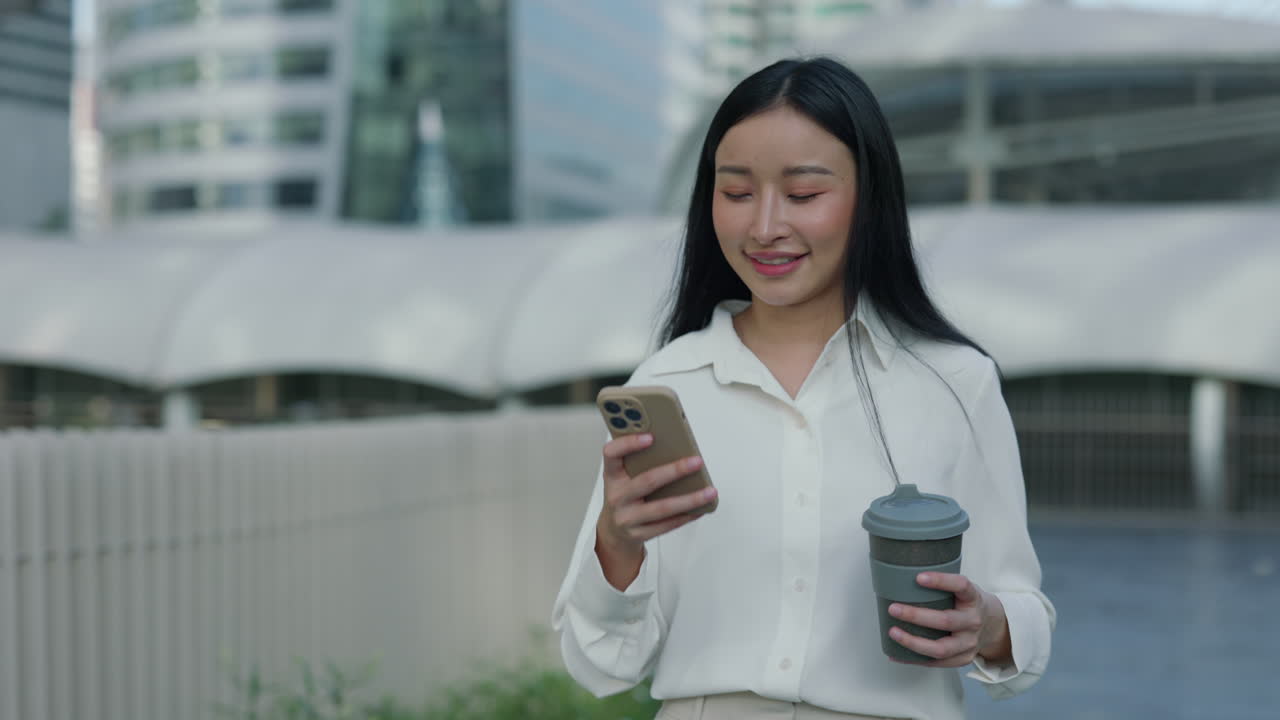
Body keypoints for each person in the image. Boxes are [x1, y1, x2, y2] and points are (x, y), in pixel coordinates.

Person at [551, 57, 1055, 720]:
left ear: (869, 197)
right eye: (736, 193)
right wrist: (617, 546)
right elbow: (601, 664)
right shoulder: (668, 385)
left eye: (803, 194)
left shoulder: (955, 382)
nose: (764, 227)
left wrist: (987, 624)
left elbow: (1024, 617)